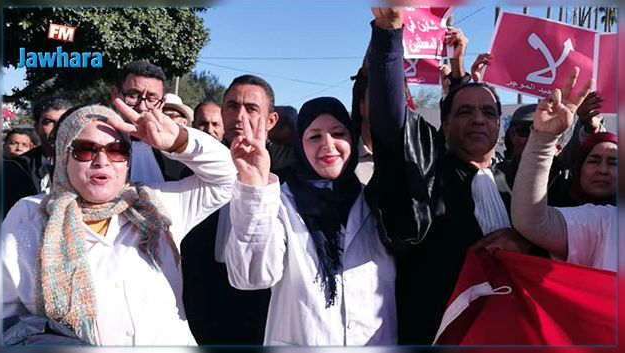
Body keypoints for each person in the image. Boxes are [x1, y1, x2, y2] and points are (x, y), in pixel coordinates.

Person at [2, 102, 236, 345]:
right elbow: (6, 313)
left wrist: (178, 140)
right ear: (63, 156)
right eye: (85, 149)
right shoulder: (31, 215)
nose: (102, 161)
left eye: (116, 150)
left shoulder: (156, 205)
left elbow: (229, 177)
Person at [364, 8, 531, 344]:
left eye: (488, 112)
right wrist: (388, 32)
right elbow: (390, 121)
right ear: (447, 124)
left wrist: (525, 243)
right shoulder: (426, 172)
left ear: (500, 125)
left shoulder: (520, 181)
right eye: (465, 111)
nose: (479, 119)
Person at [225, 96, 397, 345]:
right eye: (314, 136)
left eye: (338, 133)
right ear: (300, 146)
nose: (328, 144)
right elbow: (251, 276)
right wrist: (254, 186)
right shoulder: (279, 203)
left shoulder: (375, 203)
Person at [181, 75, 279, 345]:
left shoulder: (287, 179)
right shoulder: (194, 171)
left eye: (251, 109)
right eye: (232, 106)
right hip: (199, 313)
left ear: (271, 120)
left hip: (261, 317)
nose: (239, 117)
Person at [510, 68, 615, 271]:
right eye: (594, 160)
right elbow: (531, 222)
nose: (603, 170)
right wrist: (543, 140)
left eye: (613, 162)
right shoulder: (605, 222)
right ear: (578, 167)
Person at [110, 60, 191, 183]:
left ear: (162, 103)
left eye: (151, 98)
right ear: (115, 94)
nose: (142, 107)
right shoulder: (94, 145)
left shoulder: (179, 156)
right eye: (133, 95)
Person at [3, 97, 72, 215]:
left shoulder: (89, 164)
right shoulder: (15, 169)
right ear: (37, 128)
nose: (57, 129)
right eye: (49, 122)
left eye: (64, 121)